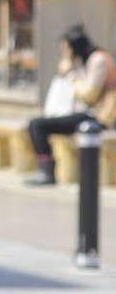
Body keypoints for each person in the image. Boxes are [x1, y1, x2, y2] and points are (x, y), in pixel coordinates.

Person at [26, 25, 114, 185]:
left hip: (98, 117)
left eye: (66, 50)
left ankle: (47, 173)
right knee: (35, 124)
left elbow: (90, 93)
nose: (65, 55)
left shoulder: (99, 60)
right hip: (88, 113)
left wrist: (70, 75)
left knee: (38, 125)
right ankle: (45, 169)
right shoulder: (87, 61)